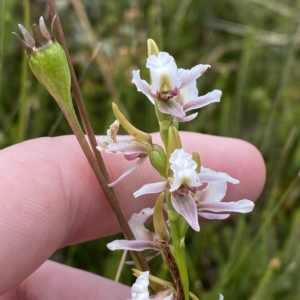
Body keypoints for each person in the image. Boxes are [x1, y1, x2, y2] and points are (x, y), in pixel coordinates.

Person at [0, 132, 266, 299]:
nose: (185, 191)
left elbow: (210, 186)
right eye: (181, 185)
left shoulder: (177, 194)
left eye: (188, 185)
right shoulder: (164, 188)